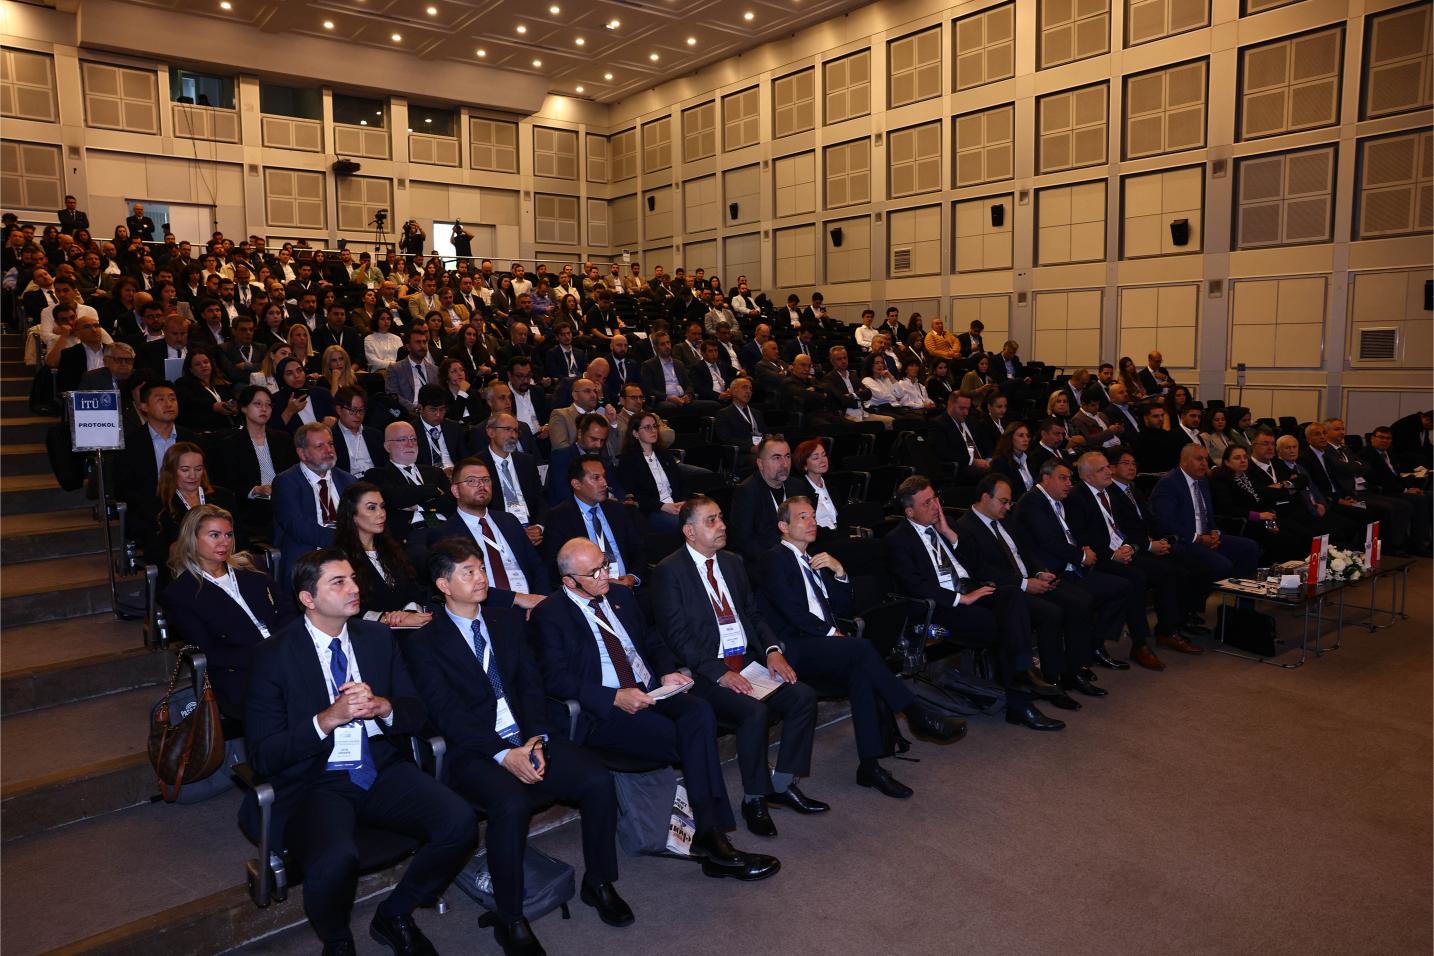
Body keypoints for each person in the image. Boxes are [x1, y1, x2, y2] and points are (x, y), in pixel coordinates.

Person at [242, 548, 478, 955]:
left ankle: (395, 914)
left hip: (378, 763)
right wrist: (327, 719)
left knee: (460, 823)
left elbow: (416, 712)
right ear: (308, 598)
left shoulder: (377, 638)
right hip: (315, 778)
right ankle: (337, 940)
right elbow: (264, 755)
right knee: (333, 860)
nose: (354, 588)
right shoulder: (274, 656)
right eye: (339, 582)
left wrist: (384, 707)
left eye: (353, 578)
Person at [403, 539, 631, 954]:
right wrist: (502, 753)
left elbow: (531, 686)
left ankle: (599, 882)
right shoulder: (425, 641)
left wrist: (536, 738)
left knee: (597, 779)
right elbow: (446, 713)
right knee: (510, 804)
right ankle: (510, 917)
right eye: (467, 572)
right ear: (443, 585)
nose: (480, 577)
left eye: (480, 568)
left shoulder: (506, 622)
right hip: (473, 750)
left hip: (527, 737)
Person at [531, 538, 780, 881]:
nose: (605, 575)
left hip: (650, 690)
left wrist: (665, 670)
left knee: (699, 712)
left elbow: (651, 639)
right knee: (686, 737)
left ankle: (709, 833)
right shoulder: (550, 614)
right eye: (594, 573)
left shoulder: (619, 595)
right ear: (569, 581)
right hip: (604, 709)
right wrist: (613, 697)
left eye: (605, 565)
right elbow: (554, 679)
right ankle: (713, 836)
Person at [758, 497, 966, 797]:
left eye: (813, 516)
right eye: (803, 517)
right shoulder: (774, 559)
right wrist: (833, 633)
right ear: (783, 526)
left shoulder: (815, 560)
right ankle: (915, 713)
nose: (812, 522)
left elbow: (844, 608)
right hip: (793, 647)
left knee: (862, 674)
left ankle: (870, 766)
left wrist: (840, 572)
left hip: (823, 644)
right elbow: (791, 611)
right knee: (862, 649)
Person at [652, 497, 827, 838]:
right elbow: (677, 637)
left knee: (803, 696)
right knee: (753, 713)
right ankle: (755, 798)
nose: (722, 525)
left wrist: (772, 650)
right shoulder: (668, 572)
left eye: (720, 517)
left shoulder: (732, 562)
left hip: (744, 662)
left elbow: (753, 614)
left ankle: (783, 783)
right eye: (711, 520)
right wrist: (719, 673)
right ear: (689, 531)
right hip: (703, 673)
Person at [885, 475, 1070, 731]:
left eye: (935, 498)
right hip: (941, 611)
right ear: (909, 511)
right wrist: (962, 598)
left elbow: (976, 563)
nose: (935, 506)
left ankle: (1021, 676)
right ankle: (1021, 697)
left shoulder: (948, 524)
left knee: (1012, 595)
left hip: (973, 591)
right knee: (1004, 625)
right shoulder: (898, 540)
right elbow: (916, 587)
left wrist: (948, 533)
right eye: (926, 503)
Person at [160, 505, 288, 718]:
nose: (224, 542)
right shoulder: (180, 593)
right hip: (241, 672)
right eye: (214, 535)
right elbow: (210, 652)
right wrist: (265, 657)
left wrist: (288, 645)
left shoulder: (250, 567)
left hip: (283, 654)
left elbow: (286, 609)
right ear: (193, 539)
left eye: (228, 534)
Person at [1010, 459, 1134, 676]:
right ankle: (1077, 664)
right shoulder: (1032, 502)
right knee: (1081, 602)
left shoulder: (1056, 500)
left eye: (1069, 478)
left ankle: (1093, 646)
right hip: (1051, 571)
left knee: (1122, 586)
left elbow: (1068, 533)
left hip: (1070, 566)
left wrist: (1082, 549)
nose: (1069, 483)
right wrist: (1081, 555)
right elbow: (1048, 541)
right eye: (1063, 478)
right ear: (1046, 478)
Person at [427, 457, 550, 613]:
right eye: (471, 481)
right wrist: (517, 599)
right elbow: (458, 589)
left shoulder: (509, 521)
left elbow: (537, 568)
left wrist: (540, 602)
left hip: (532, 606)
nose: (481, 485)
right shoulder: (445, 534)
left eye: (485, 480)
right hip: (487, 611)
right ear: (455, 490)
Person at [1149, 444, 1261, 580]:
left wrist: (1214, 532)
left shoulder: (1202, 481)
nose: (1204, 463)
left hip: (1206, 537)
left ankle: (1241, 593)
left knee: (1250, 547)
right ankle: (1206, 593)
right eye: (1199, 459)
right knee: (1222, 566)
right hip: (1184, 541)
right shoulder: (1169, 484)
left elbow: (1208, 515)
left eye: (1206, 459)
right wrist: (1199, 539)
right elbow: (1165, 523)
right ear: (1184, 461)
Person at [334, 483, 432, 627]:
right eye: (371, 508)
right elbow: (342, 606)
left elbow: (415, 589)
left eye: (382, 506)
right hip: (368, 632)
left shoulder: (392, 549)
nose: (381, 513)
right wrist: (388, 619)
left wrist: (409, 612)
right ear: (352, 514)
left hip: (409, 626)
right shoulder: (339, 558)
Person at [270, 423, 356, 588]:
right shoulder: (286, 482)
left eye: (330, 444)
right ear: (302, 453)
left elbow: (359, 519)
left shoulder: (348, 480)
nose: (329, 450)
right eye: (319, 446)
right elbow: (297, 526)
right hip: (307, 553)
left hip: (347, 552)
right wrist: (343, 539)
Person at [543, 454, 645, 586]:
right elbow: (556, 567)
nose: (604, 483)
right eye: (596, 478)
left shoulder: (617, 510)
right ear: (576, 484)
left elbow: (638, 550)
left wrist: (632, 577)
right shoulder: (559, 517)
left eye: (604, 476)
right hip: (588, 590)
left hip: (627, 586)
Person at [116, 382, 199, 537]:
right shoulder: (131, 444)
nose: (169, 404)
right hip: (150, 514)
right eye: (160, 399)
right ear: (144, 407)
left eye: (172, 399)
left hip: (190, 507)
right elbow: (126, 490)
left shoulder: (192, 438)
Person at [150, 439, 241, 565]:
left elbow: (240, 538)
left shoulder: (223, 497)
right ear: (171, 472)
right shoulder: (159, 504)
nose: (193, 476)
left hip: (225, 563)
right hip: (183, 567)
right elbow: (155, 552)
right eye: (185, 470)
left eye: (198, 469)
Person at [1209, 445, 1307, 563]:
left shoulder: (1247, 476)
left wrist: (1270, 521)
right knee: (1285, 539)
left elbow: (1262, 499)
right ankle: (1280, 570)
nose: (1243, 460)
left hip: (1263, 518)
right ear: (1227, 462)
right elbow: (1227, 509)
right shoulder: (1221, 480)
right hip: (1243, 522)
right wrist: (1259, 516)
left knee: (1299, 531)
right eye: (1237, 458)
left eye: (1245, 457)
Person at [478, 414, 547, 546]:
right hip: (498, 530)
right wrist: (512, 531)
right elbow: (479, 507)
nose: (513, 435)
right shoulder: (477, 465)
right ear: (491, 432)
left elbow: (540, 498)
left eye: (515, 431)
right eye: (508, 429)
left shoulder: (526, 461)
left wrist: (539, 527)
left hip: (530, 525)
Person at [619, 411, 687, 533]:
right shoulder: (628, 460)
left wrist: (682, 502)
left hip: (676, 504)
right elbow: (634, 496)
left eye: (655, 426)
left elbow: (680, 482)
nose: (653, 430)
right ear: (635, 433)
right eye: (647, 427)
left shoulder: (664, 454)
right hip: (652, 511)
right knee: (685, 524)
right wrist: (662, 506)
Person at [728, 436, 790, 563]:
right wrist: (779, 559)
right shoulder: (747, 492)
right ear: (760, 464)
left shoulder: (796, 486)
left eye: (787, 456)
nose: (785, 464)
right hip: (766, 560)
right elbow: (744, 542)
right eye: (777, 458)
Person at [930, 393, 992, 482]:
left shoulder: (971, 421)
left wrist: (989, 458)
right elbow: (944, 453)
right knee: (991, 473)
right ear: (950, 404)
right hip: (961, 466)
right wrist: (973, 461)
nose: (966, 413)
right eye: (962, 408)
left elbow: (983, 443)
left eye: (968, 408)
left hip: (981, 461)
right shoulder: (938, 424)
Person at [329, 386, 386, 479]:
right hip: (348, 483)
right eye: (353, 410)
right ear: (339, 409)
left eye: (361, 410)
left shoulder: (375, 435)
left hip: (376, 481)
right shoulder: (330, 437)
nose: (358, 415)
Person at [273, 356, 337, 434]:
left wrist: (333, 420)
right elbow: (273, 431)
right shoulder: (276, 400)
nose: (296, 376)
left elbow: (339, 418)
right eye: (289, 373)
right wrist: (289, 411)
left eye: (299, 370)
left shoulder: (322, 393)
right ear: (282, 377)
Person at [385, 326, 439, 416]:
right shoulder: (396, 369)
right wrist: (414, 408)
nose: (422, 346)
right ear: (408, 347)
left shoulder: (435, 370)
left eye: (424, 342)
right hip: (407, 413)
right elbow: (392, 395)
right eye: (418, 342)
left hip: (432, 413)